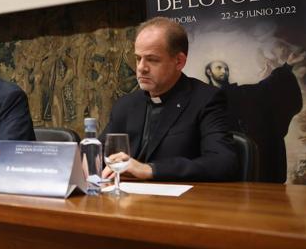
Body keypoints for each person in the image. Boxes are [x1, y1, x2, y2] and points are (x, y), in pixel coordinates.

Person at [101, 17, 238, 182]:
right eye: (138, 58)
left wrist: (149, 170)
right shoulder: (126, 105)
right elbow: (99, 153)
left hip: (180, 204)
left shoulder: (206, 99)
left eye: (152, 59)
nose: (141, 68)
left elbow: (223, 162)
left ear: (179, 61)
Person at [205, 56, 303, 183]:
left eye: (226, 68)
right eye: (219, 68)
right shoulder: (202, 97)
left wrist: (287, 67)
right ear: (209, 72)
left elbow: (267, 88)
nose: (224, 71)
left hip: (242, 156)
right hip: (215, 157)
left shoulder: (241, 92)